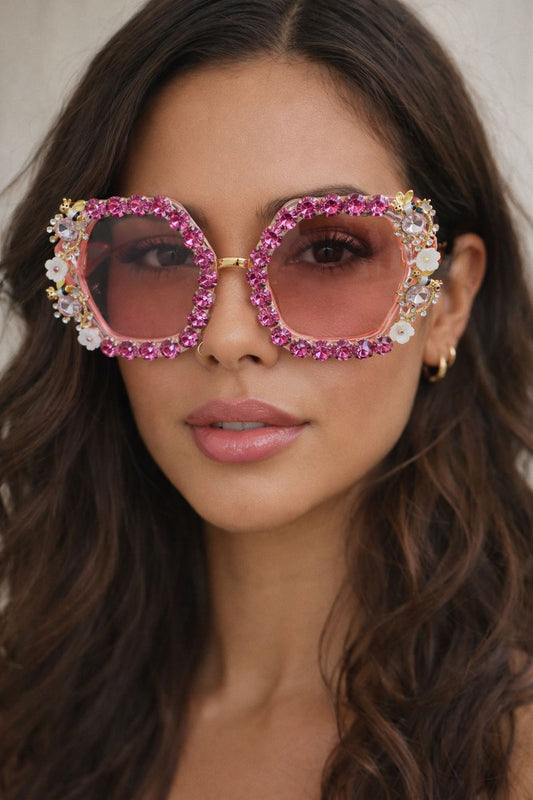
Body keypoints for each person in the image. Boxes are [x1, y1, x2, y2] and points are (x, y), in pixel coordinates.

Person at [1, 0, 532, 797]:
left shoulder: (513, 756)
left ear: (447, 300)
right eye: (157, 250)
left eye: (326, 249)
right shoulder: (25, 726)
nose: (227, 336)